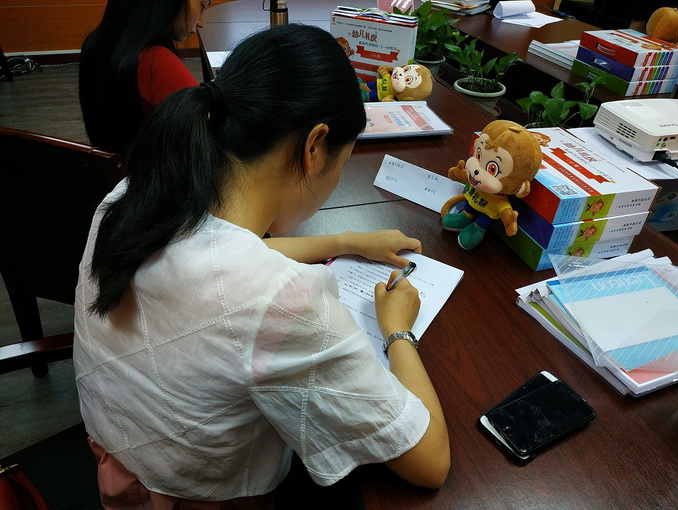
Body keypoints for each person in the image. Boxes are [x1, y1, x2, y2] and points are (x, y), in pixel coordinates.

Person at [73, 24, 450, 508]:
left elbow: (222, 266)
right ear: (314, 147)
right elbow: (430, 462)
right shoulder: (279, 297)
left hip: (121, 457)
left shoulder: (131, 198)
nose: (336, 178)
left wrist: (345, 241)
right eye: (341, 165)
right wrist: (398, 331)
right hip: (199, 498)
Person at [79, 0, 210, 155]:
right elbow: (208, 128)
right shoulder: (155, 61)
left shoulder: (96, 43)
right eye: (202, 5)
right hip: (153, 167)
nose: (202, 23)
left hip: (123, 167)